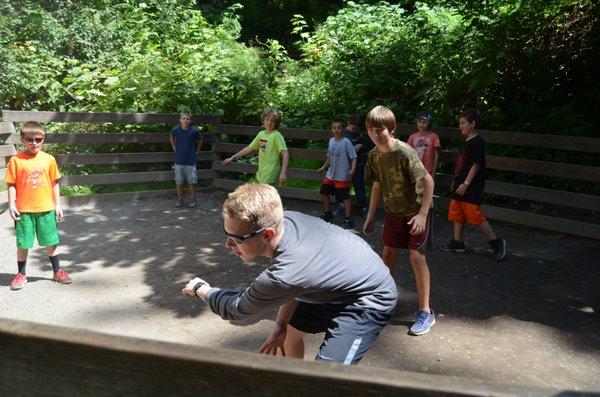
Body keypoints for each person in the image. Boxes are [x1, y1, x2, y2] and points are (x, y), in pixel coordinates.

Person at [181, 183, 397, 365]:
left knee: (328, 379)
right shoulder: (285, 221)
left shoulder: (287, 271)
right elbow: (295, 284)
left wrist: (202, 288)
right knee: (287, 335)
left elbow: (236, 308)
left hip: (368, 299)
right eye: (226, 233)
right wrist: (280, 324)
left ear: (267, 234)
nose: (228, 244)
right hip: (337, 280)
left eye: (237, 238)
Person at [362, 105, 436, 336]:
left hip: (415, 211)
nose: (375, 134)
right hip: (393, 212)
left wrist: (423, 214)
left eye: (380, 129)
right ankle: (383, 302)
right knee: (387, 256)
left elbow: (428, 182)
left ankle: (425, 311)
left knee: (416, 258)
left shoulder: (404, 152)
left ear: (391, 129)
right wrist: (371, 216)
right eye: (371, 129)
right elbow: (376, 186)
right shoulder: (374, 156)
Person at [5, 121, 72, 290]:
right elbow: (11, 183)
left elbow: (55, 183)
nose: (34, 142)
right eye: (29, 139)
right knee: (23, 243)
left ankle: (57, 272)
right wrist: (12, 204)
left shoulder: (49, 160)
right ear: (22, 140)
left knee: (51, 241)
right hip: (24, 210)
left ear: (43, 139)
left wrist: (57, 205)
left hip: (46, 209)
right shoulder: (16, 160)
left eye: (38, 139)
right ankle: (21, 274)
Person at [441, 109, 506, 261]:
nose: (460, 126)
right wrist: (456, 182)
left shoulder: (478, 142)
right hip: (460, 184)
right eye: (460, 123)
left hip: (471, 185)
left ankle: (497, 243)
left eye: (463, 123)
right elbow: (462, 164)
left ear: (473, 124)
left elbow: (476, 165)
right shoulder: (467, 141)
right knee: (457, 210)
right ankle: (458, 243)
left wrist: (466, 184)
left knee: (473, 213)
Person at [222, 107, 289, 186]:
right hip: (260, 173)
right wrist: (233, 157)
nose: (269, 123)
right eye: (267, 119)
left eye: (273, 121)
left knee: (264, 197)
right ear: (263, 120)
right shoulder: (261, 134)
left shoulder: (276, 135)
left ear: (276, 123)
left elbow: (285, 154)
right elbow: (249, 148)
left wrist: (283, 173)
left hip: (270, 174)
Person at [407, 111, 441, 249]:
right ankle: (414, 227)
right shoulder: (412, 137)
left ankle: (427, 231)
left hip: (427, 173)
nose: (422, 124)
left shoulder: (434, 137)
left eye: (425, 122)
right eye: (420, 121)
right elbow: (408, 153)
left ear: (429, 123)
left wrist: (433, 172)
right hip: (414, 173)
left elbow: (437, 155)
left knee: (428, 201)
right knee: (415, 199)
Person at [317, 119, 357, 229]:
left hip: (342, 175)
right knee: (324, 192)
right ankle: (327, 214)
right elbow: (329, 158)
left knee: (344, 197)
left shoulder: (346, 142)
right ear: (331, 129)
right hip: (331, 174)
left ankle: (349, 219)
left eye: (339, 128)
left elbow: (354, 157)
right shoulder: (331, 141)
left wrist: (352, 170)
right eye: (334, 128)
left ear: (343, 129)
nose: (336, 130)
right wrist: (323, 167)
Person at [332, 115, 370, 217]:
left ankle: (363, 208)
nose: (354, 130)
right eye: (352, 128)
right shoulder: (341, 134)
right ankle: (342, 207)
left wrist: (361, 145)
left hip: (358, 165)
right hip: (344, 166)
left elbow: (369, 144)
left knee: (360, 187)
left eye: (356, 128)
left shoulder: (360, 134)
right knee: (342, 188)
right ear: (348, 124)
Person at [170, 111, 203, 208]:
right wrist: (174, 147)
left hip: (190, 161)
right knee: (179, 181)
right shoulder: (175, 130)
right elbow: (171, 137)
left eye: (187, 119)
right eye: (183, 118)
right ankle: (180, 200)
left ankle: (193, 200)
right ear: (180, 120)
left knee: (192, 182)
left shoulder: (194, 131)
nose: (185, 120)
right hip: (179, 160)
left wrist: (197, 151)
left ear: (190, 121)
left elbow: (200, 139)